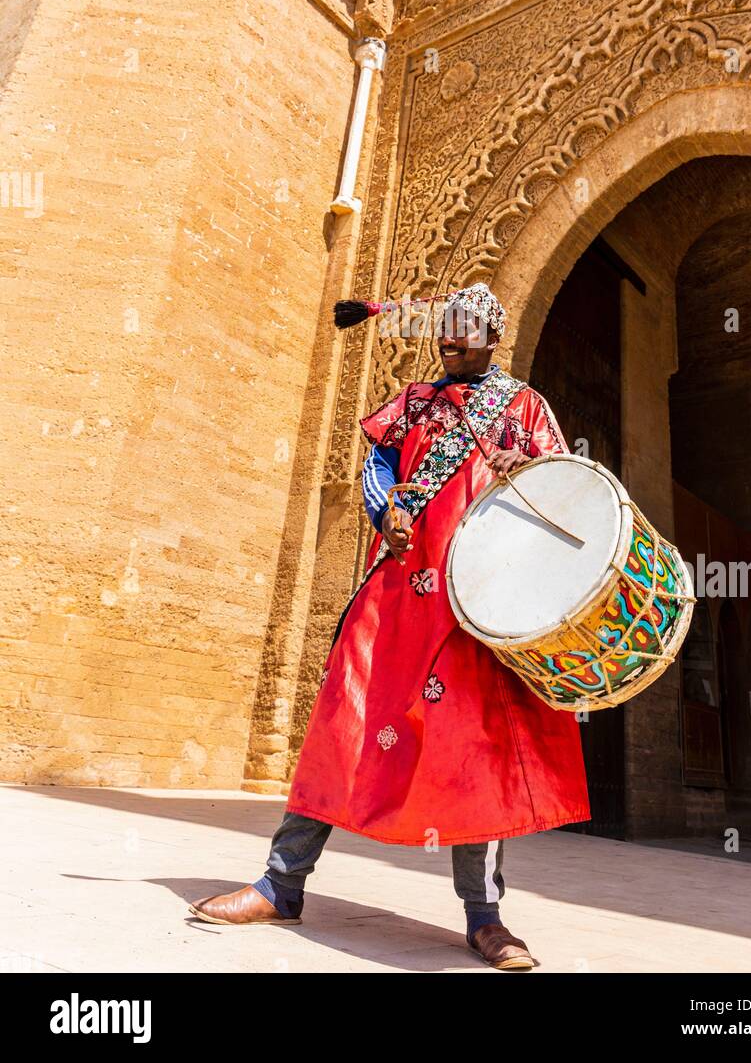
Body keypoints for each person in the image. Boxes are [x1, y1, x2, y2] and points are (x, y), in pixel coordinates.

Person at [189, 283, 590, 969]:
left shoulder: (523, 406)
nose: (449, 340)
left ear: (494, 339)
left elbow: (563, 481)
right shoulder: (414, 402)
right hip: (398, 590)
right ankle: (281, 885)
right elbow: (379, 461)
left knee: (473, 747)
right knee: (340, 720)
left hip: (472, 605)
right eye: (445, 329)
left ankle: (485, 918)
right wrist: (385, 512)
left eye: (464, 331)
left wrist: (519, 463)